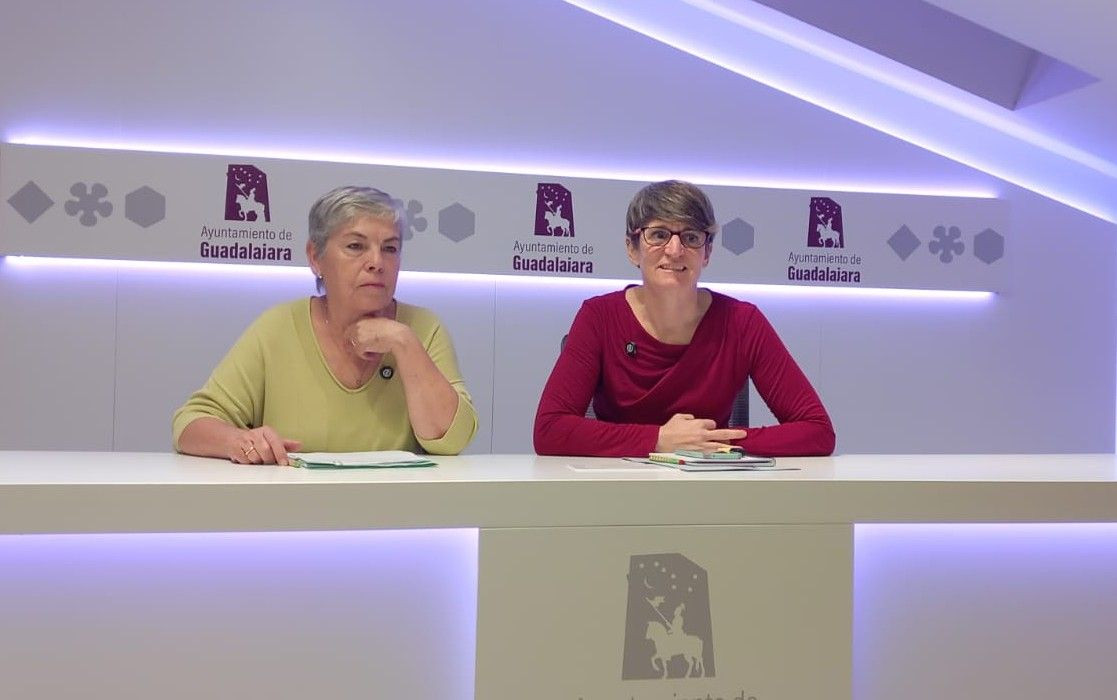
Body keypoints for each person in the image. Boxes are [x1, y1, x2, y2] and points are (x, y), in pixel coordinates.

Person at [173, 185, 478, 465]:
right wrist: (237, 441)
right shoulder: (278, 327)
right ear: (315, 257)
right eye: (356, 247)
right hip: (294, 513)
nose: (377, 262)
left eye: (390, 248)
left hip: (397, 514)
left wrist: (403, 343)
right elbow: (191, 422)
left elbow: (451, 439)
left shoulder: (422, 328)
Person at [533, 180, 834, 458]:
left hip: (709, 491)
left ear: (707, 253)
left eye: (691, 237)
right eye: (659, 234)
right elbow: (549, 430)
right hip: (618, 490)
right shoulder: (599, 317)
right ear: (632, 248)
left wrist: (711, 442)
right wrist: (659, 439)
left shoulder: (742, 322)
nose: (675, 250)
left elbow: (818, 431)